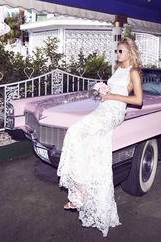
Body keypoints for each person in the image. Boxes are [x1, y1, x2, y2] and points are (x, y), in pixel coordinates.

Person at [57, 37, 143, 237]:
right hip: (103, 108)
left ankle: (81, 195)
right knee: (76, 135)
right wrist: (103, 91)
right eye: (117, 51)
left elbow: (138, 99)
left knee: (82, 136)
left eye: (121, 51)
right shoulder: (117, 69)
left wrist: (112, 96)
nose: (117, 54)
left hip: (114, 113)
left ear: (130, 53)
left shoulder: (134, 72)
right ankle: (80, 192)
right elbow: (112, 90)